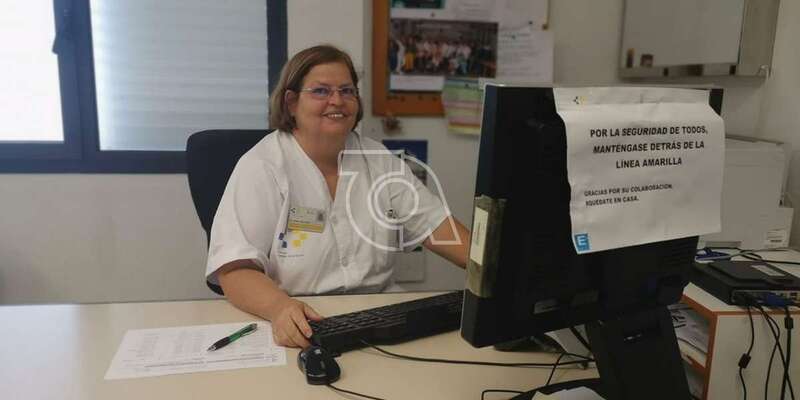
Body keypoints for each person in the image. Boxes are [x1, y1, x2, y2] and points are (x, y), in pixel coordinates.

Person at [205, 45, 470, 349]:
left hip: (379, 317)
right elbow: (234, 271)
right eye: (321, 91)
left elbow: (438, 227)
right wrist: (279, 308)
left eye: (347, 90)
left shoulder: (379, 160)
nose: (337, 100)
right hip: (298, 321)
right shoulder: (262, 166)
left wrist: (496, 272)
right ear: (291, 102)